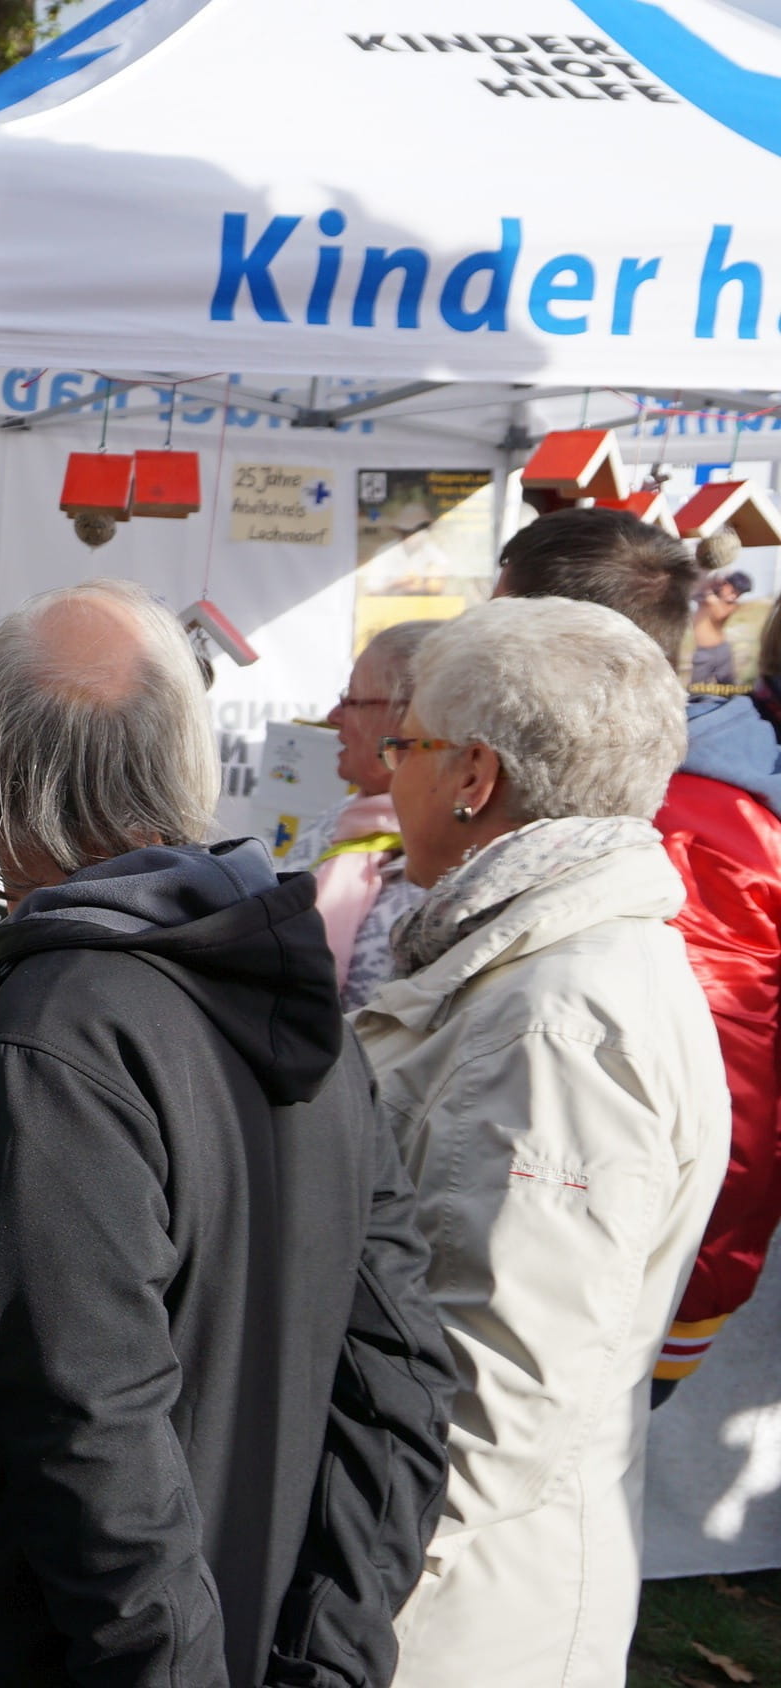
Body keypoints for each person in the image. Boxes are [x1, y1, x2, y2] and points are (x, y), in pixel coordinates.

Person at [0, 580, 455, 1688]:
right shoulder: (284, 996)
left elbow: (96, 1444)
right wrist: (322, 1655)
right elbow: (401, 1383)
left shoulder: (50, 1047)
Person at [354, 596, 729, 1686]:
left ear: (472, 774)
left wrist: (338, 1568)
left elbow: (495, 1395)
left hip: (452, 1619)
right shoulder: (539, 967)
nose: (386, 772)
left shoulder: (554, 1014)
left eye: (403, 741)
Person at [497, 508, 781, 1395]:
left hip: (595, 1317)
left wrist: (668, 1342)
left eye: (494, 620)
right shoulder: (602, 781)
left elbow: (732, 1085)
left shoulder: (701, 825)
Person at [316, 619, 440, 1009]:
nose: (334, 716)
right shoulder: (337, 819)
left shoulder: (449, 854)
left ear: (408, 719)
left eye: (351, 700)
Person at [692, 567, 751, 689]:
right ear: (725, 584)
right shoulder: (706, 595)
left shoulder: (730, 605)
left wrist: (709, 593)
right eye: (733, 591)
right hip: (702, 652)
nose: (734, 596)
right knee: (697, 688)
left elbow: (719, 614)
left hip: (721, 651)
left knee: (728, 686)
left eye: (739, 594)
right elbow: (695, 588)